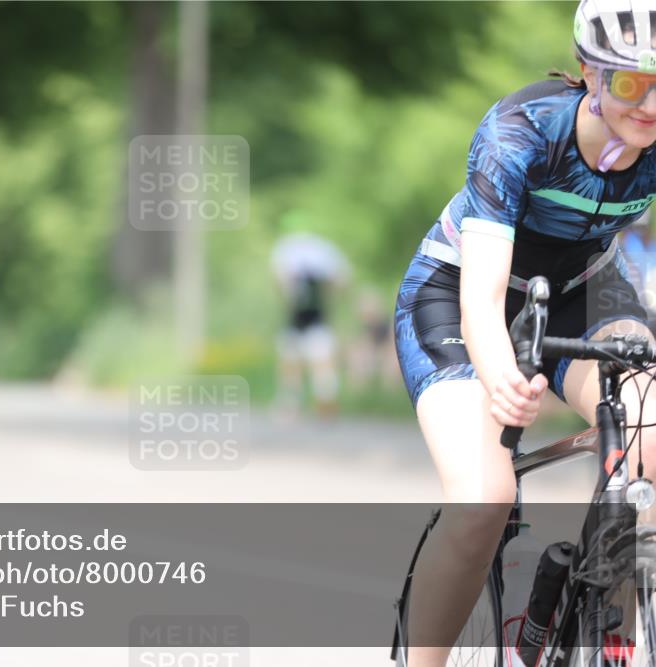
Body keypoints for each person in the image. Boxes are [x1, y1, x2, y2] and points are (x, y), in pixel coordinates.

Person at [393, 2, 656, 663]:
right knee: (485, 497)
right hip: (460, 295)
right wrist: (503, 377)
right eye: (630, 81)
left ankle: (614, 626)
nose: (650, 102)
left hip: (585, 290)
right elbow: (482, 299)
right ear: (588, 74)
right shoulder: (520, 130)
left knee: (651, 434)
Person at [270, 210, 350, 417]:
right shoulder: (324, 248)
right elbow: (341, 279)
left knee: (291, 362)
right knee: (322, 360)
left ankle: (291, 404)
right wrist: (330, 300)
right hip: (319, 313)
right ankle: (326, 401)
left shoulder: (285, 249)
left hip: (297, 314)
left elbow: (282, 281)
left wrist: (289, 300)